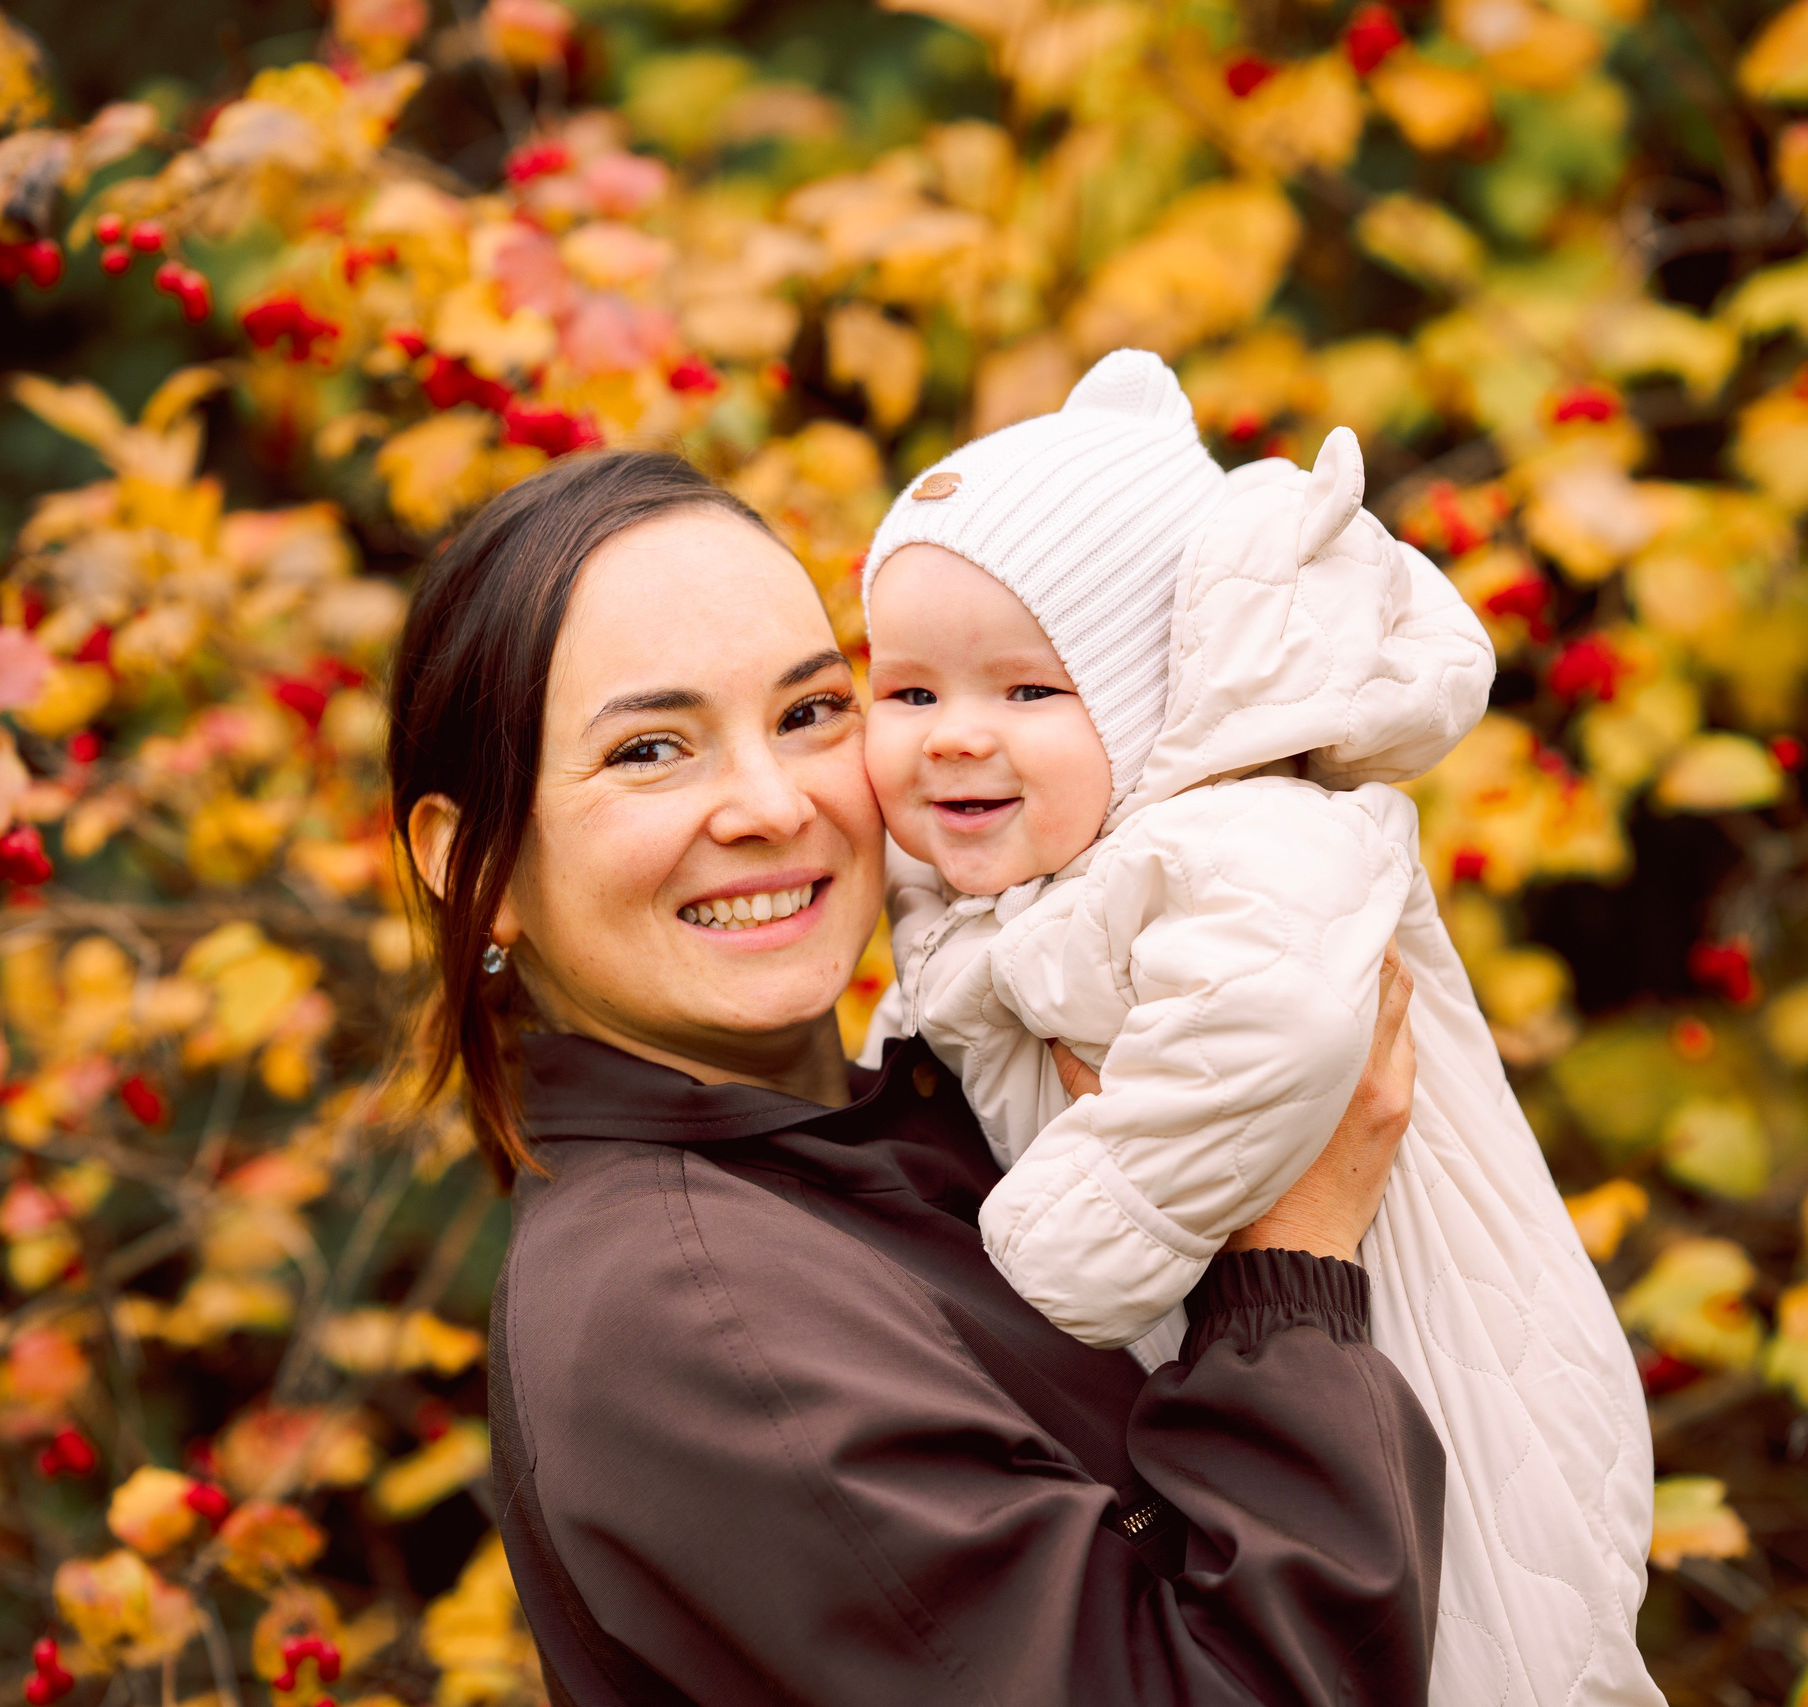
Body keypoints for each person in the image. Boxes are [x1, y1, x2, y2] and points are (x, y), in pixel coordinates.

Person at [390, 449, 1447, 1705]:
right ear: (472, 864)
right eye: (649, 751)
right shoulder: (684, 1307)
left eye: (809, 712)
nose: (773, 806)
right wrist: (1288, 1262)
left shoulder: (927, 1120)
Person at [856, 350, 1660, 1707]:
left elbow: (1275, 1018)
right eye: (910, 691)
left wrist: (1061, 1245)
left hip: (1411, 1337)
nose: (952, 736)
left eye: (1028, 692)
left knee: (1487, 1632)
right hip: (1272, 1376)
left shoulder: (1245, 831)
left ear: (1155, 701)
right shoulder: (1025, 878)